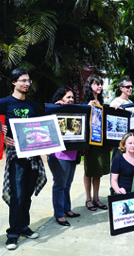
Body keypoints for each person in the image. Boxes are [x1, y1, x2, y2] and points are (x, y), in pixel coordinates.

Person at [0, 68, 46, 250]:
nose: (27, 84)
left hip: (33, 155)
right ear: (14, 82)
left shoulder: (33, 105)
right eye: (23, 80)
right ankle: (13, 233)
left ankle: (24, 226)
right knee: (16, 194)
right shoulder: (3, 103)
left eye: (29, 81)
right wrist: (2, 137)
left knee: (27, 194)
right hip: (15, 155)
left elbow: (40, 129)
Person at [47, 86, 81, 226]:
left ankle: (67, 209)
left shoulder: (75, 113)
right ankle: (59, 214)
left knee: (67, 185)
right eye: (68, 97)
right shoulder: (54, 111)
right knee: (60, 185)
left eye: (72, 97)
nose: (71, 99)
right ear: (60, 99)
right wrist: (56, 109)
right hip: (59, 156)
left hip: (72, 155)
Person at [81, 75, 110, 211]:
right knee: (89, 170)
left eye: (100, 84)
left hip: (101, 142)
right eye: (96, 84)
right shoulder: (86, 102)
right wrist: (88, 108)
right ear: (90, 85)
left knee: (98, 170)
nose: (99, 86)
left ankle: (96, 198)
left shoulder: (102, 102)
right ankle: (88, 199)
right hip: (90, 143)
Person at [110, 78, 134, 165]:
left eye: (131, 86)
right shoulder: (115, 102)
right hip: (118, 139)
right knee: (116, 162)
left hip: (128, 138)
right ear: (121, 88)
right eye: (127, 87)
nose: (130, 89)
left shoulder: (131, 102)